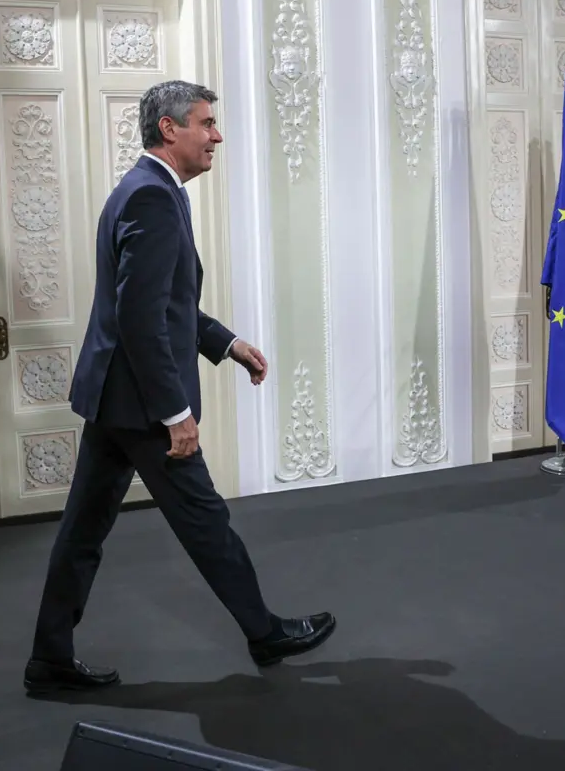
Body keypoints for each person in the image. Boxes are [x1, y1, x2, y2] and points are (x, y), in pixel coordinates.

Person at [24, 80, 336, 694]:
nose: (217, 135)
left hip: (114, 398)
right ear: (170, 129)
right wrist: (175, 412)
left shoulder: (147, 189)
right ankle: (264, 632)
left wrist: (225, 342)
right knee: (204, 518)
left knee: (83, 531)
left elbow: (163, 304)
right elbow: (139, 319)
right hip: (142, 404)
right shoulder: (152, 198)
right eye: (206, 123)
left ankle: (49, 658)